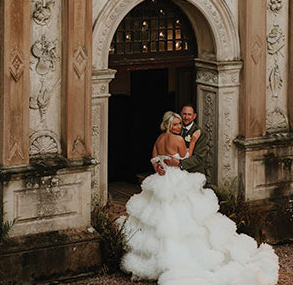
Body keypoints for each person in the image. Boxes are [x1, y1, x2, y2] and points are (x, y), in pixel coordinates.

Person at [120, 112, 279, 285]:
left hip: (161, 179)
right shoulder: (178, 140)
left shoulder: (159, 139)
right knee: (185, 213)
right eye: (175, 124)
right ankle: (186, 256)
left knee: (160, 214)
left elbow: (154, 158)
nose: (179, 127)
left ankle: (158, 259)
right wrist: (193, 141)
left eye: (180, 124)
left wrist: (158, 167)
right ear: (168, 126)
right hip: (176, 177)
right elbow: (186, 156)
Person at [177, 103, 210, 175]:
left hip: (193, 172)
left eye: (189, 114)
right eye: (184, 114)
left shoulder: (200, 133)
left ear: (194, 116)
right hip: (175, 171)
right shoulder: (175, 129)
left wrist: (180, 163)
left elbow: (199, 158)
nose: (186, 117)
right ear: (180, 114)